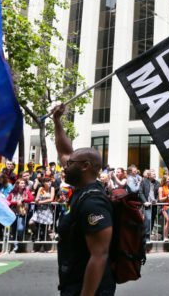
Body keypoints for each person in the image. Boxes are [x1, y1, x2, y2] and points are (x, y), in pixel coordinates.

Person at [53, 104, 115, 296]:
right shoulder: (81, 190)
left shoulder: (93, 202)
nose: (64, 165)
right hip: (72, 283)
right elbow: (64, 152)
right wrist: (57, 121)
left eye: (70, 164)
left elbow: (99, 256)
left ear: (85, 166)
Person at [7, 179, 34, 253]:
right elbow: (8, 201)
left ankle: (19, 242)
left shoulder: (27, 191)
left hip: (22, 212)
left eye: (24, 183)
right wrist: (16, 203)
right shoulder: (13, 192)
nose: (23, 185)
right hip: (13, 212)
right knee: (14, 229)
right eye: (21, 183)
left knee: (20, 229)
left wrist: (23, 200)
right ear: (18, 184)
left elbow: (31, 198)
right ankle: (15, 247)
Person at [29, 177, 56, 244]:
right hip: (40, 209)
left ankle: (43, 243)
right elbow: (37, 197)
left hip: (47, 209)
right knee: (31, 222)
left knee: (45, 227)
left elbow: (51, 199)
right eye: (47, 182)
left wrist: (41, 202)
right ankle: (35, 232)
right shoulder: (41, 188)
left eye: (50, 181)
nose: (49, 183)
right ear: (43, 183)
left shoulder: (52, 189)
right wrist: (36, 200)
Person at [138, 169, 156, 242]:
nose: (155, 175)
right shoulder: (144, 182)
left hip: (155, 204)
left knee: (152, 219)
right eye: (153, 174)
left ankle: (149, 233)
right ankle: (146, 236)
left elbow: (158, 193)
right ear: (149, 175)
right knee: (148, 219)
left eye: (155, 174)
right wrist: (145, 201)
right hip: (147, 204)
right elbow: (140, 192)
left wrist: (156, 200)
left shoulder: (157, 183)